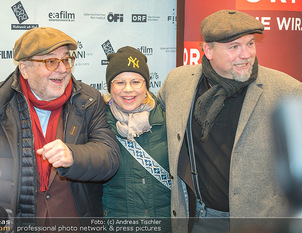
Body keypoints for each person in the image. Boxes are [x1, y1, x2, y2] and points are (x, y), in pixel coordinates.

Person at [0, 27, 120, 230]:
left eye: (66, 59)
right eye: (50, 61)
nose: (62, 69)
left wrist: (73, 155)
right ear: (24, 69)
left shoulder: (88, 100)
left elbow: (110, 157)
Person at [157, 10, 302, 233]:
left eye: (250, 43)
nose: (246, 54)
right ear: (208, 50)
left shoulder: (287, 90)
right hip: (196, 220)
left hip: (257, 223)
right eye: (234, 47)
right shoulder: (177, 82)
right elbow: (150, 111)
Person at [102, 46, 171, 231]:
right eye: (119, 82)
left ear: (146, 84)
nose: (128, 90)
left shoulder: (168, 120)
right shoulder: (99, 124)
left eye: (135, 81)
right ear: (110, 87)